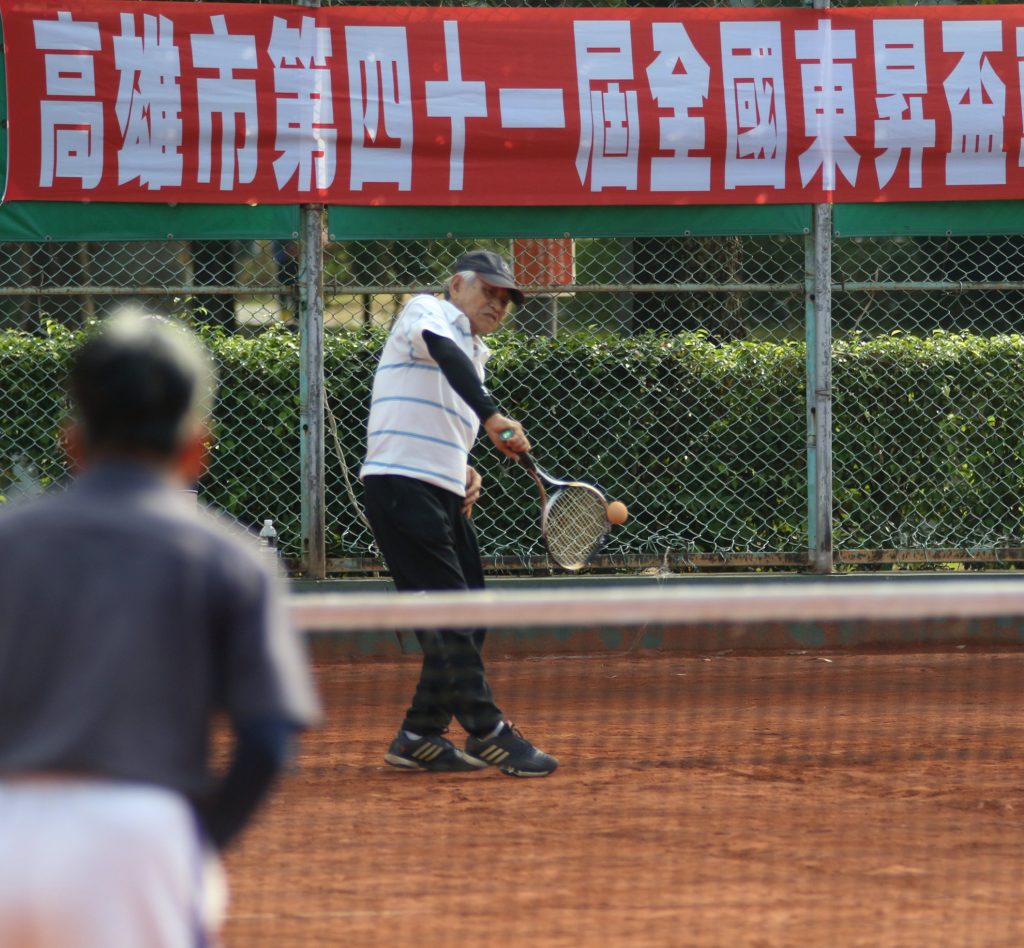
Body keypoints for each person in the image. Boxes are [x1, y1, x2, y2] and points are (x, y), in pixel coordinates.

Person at [0, 313, 320, 947]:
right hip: (140, 835)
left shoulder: (10, 542)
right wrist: (198, 842)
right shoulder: (230, 558)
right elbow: (267, 739)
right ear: (196, 446)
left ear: (74, 442)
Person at [360, 249, 558, 778]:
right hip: (400, 484)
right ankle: (488, 730)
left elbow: (443, 411)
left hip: (441, 492)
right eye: (489, 291)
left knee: (470, 614)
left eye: (506, 298)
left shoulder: (476, 351)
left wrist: (464, 468)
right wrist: (492, 415)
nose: (499, 304)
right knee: (448, 615)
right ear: (456, 284)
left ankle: (420, 734)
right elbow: (442, 355)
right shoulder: (427, 313)